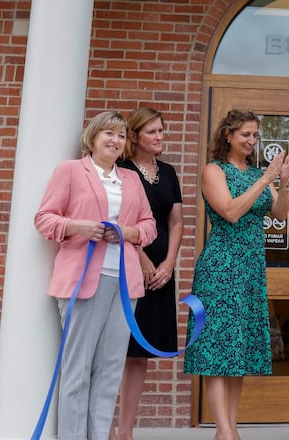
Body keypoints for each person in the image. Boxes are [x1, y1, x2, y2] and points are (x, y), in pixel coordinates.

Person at [34, 111, 157, 440]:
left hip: (124, 283)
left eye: (120, 135)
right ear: (93, 136)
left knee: (110, 371)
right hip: (82, 282)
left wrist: (127, 232)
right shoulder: (71, 171)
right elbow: (44, 218)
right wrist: (77, 226)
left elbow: (149, 227)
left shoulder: (131, 179)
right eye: (108, 133)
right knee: (77, 371)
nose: (115, 140)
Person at [182, 109, 289, 440]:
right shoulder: (214, 170)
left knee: (236, 350)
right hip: (221, 268)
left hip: (250, 270)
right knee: (216, 349)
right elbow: (231, 212)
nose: (251, 141)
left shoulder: (256, 173)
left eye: (254, 135)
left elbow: (280, 213)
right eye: (245, 135)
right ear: (228, 135)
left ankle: (227, 430)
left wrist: (284, 181)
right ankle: (227, 432)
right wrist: (265, 180)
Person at [110, 107, 182, 440]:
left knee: (139, 354)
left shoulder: (168, 172)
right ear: (135, 136)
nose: (160, 137)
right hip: (126, 263)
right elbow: (118, 216)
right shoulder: (120, 169)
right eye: (152, 132)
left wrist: (169, 263)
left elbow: (176, 221)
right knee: (115, 348)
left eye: (162, 131)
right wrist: (139, 257)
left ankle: (126, 432)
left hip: (161, 272)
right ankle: (103, 426)